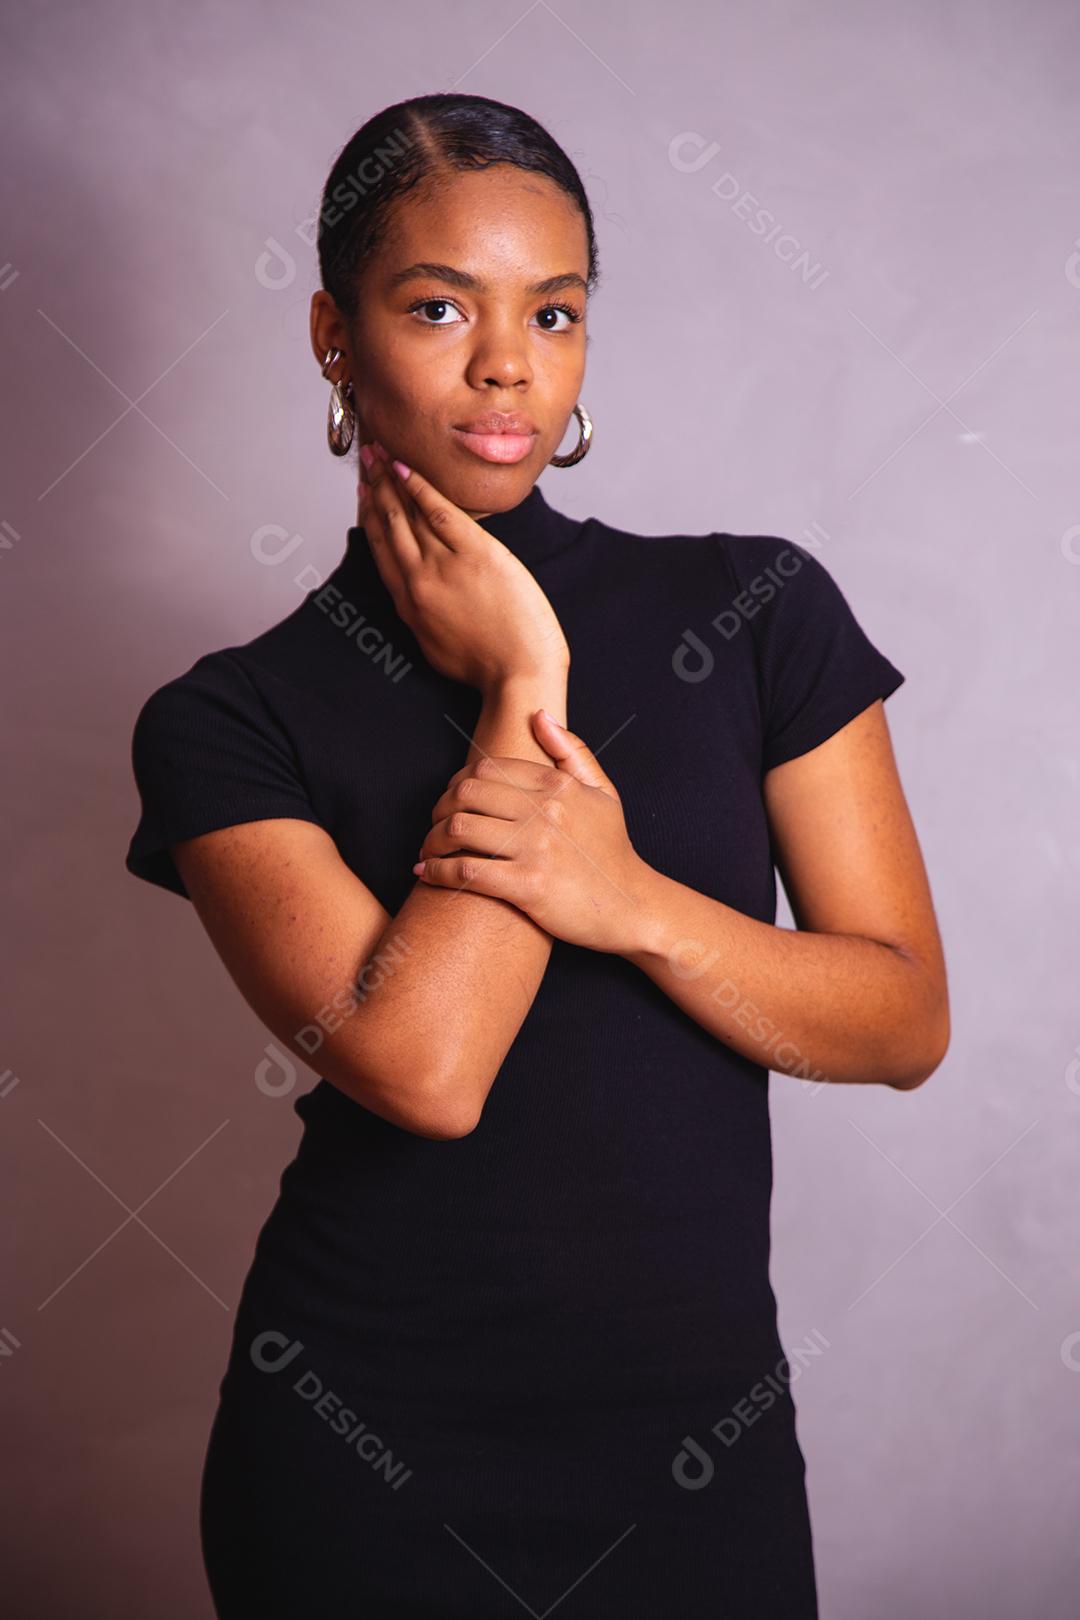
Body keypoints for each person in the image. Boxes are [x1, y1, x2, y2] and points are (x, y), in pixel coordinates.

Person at [124, 91, 949, 1620]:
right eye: (438, 306)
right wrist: (524, 688)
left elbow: (902, 1024)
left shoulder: (760, 613)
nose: (507, 361)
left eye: (552, 311)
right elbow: (425, 1071)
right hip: (362, 1471)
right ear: (330, 331)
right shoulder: (226, 717)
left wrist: (631, 904)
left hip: (697, 1457)